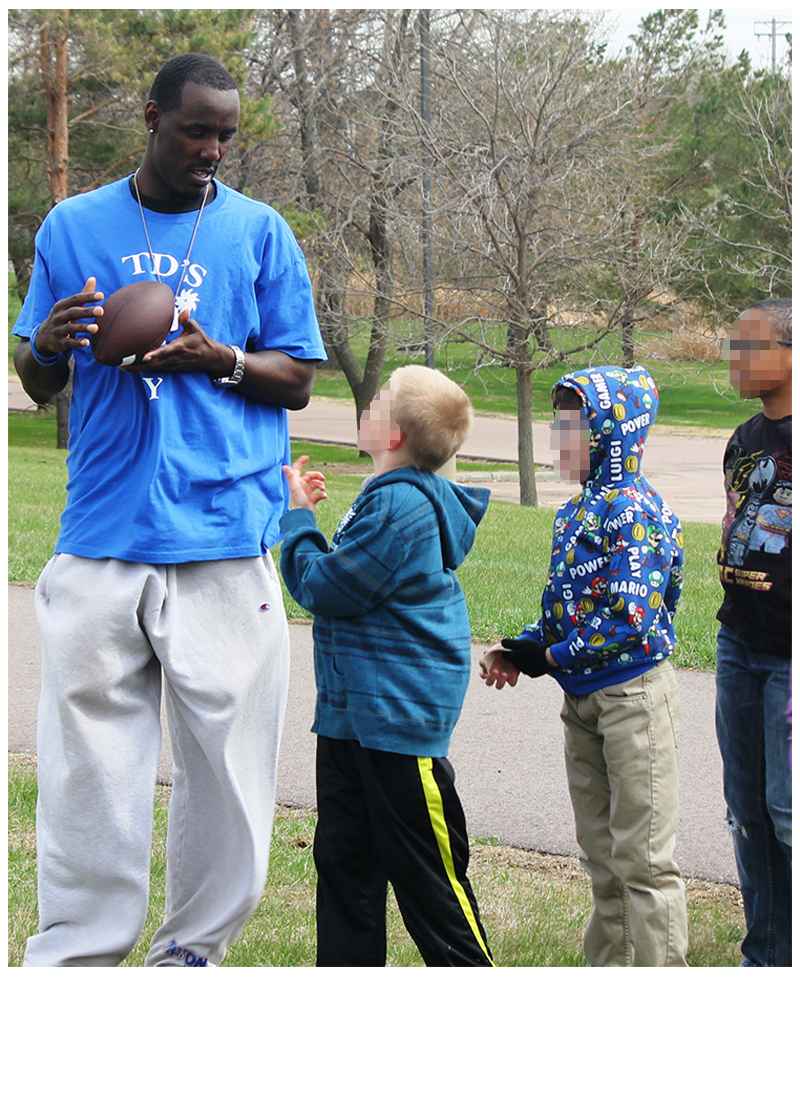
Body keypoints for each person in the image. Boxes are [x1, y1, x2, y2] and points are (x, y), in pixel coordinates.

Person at [13, 54, 327, 967]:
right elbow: (36, 383)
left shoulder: (260, 232)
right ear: (153, 117)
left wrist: (217, 360)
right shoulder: (75, 226)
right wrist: (46, 343)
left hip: (226, 537)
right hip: (104, 535)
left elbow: (297, 379)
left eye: (226, 134)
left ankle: (189, 959)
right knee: (88, 775)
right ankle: (73, 964)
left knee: (229, 776)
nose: (213, 150)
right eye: (197, 130)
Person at [278, 366, 495, 966]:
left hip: (397, 725)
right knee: (346, 864)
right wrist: (314, 529)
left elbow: (325, 588)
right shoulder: (387, 495)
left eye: (377, 399)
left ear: (394, 434)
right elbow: (347, 578)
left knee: (430, 881)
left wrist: (297, 520)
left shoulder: (403, 505)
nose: (366, 402)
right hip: (354, 721)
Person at [481, 366, 688, 967]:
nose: (557, 439)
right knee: (601, 853)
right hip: (584, 706)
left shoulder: (636, 511)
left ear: (610, 432)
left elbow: (629, 618)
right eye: (557, 425)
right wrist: (519, 648)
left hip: (634, 703)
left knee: (644, 861)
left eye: (572, 427)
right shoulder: (577, 513)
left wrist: (547, 659)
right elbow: (565, 611)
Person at [716, 298, 792, 967]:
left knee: (788, 810)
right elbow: (733, 519)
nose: (733, 357)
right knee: (747, 808)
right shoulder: (743, 440)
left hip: (791, 657)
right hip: (738, 642)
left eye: (748, 345)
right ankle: (765, 956)